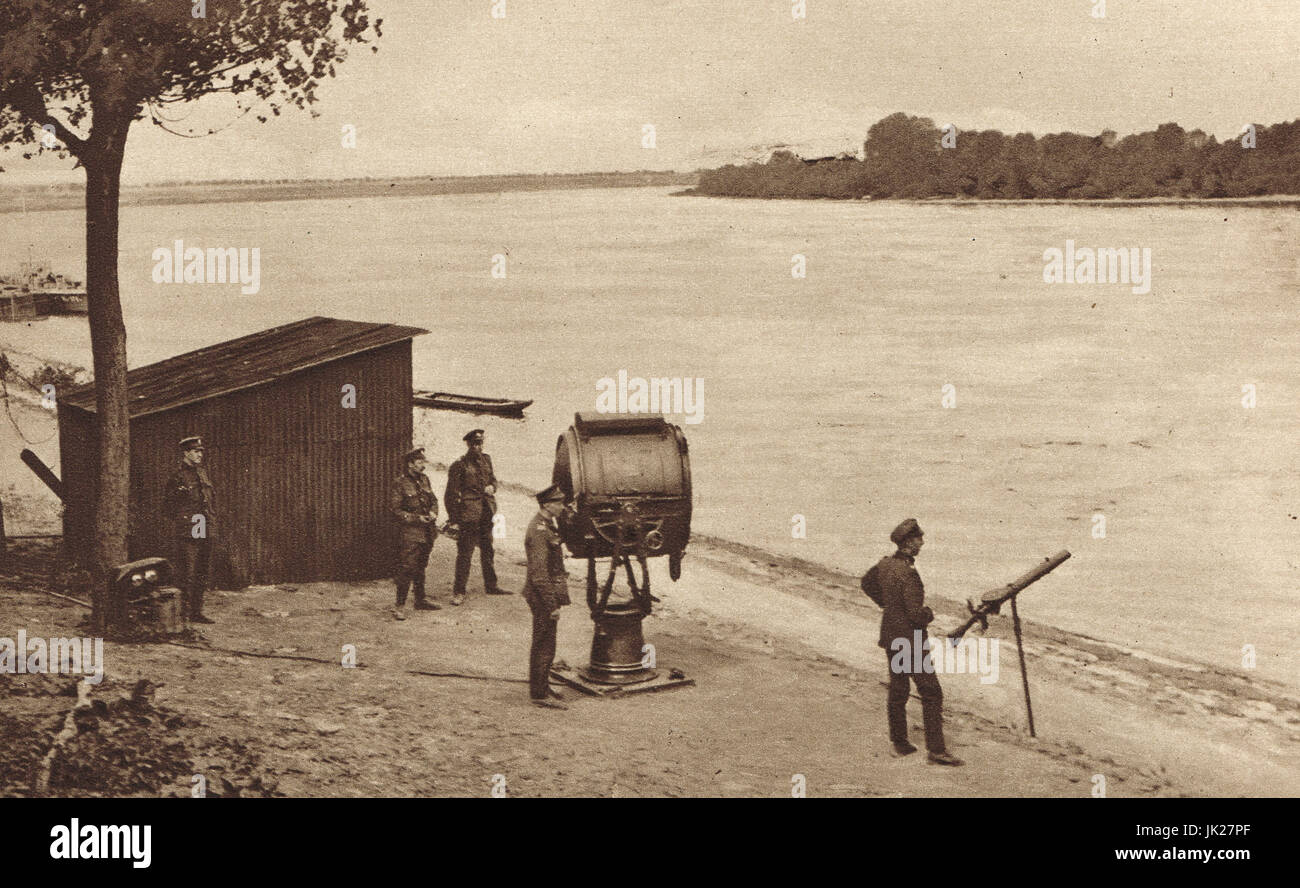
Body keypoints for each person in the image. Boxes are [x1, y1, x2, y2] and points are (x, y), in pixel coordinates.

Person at [863, 518, 963, 766]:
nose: (922, 542)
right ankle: (937, 751)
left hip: (891, 636)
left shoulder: (885, 565)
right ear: (908, 544)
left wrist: (885, 604)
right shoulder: (908, 574)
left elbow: (866, 583)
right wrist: (929, 614)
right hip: (910, 641)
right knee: (931, 693)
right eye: (918, 539)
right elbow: (915, 614)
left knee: (898, 690)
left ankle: (900, 743)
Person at [522, 484, 570, 709]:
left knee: (546, 642)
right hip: (542, 595)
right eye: (559, 503)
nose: (562, 506)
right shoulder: (540, 531)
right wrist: (552, 605)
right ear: (547, 505)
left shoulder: (546, 525)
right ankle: (539, 694)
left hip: (543, 593)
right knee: (544, 644)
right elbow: (539, 574)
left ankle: (542, 685)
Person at [444, 429, 504, 605]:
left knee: (488, 549)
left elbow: (493, 480)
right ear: (468, 445)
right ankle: (459, 591)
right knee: (465, 554)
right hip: (469, 515)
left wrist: (493, 487)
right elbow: (451, 495)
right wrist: (454, 519)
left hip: (487, 512)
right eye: (475, 444)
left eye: (480, 443)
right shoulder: (459, 465)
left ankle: (491, 585)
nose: (478, 447)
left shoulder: (487, 459)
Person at [163, 436, 216, 624]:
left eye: (201, 451)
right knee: (186, 572)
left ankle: (196, 611)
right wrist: (184, 522)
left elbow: (208, 501)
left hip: (204, 524)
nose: (199, 454)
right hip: (188, 527)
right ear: (186, 453)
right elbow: (168, 507)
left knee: (202, 570)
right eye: (195, 451)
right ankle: (182, 613)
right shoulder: (177, 477)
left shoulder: (202, 474)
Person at [390, 446, 441, 620]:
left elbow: (433, 500)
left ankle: (420, 600)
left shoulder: (425, 479)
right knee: (407, 568)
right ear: (410, 464)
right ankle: (400, 606)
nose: (423, 466)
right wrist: (417, 518)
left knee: (421, 566)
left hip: (427, 532)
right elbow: (395, 510)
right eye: (420, 462)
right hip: (411, 533)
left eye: (423, 462)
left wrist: (434, 512)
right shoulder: (400, 483)